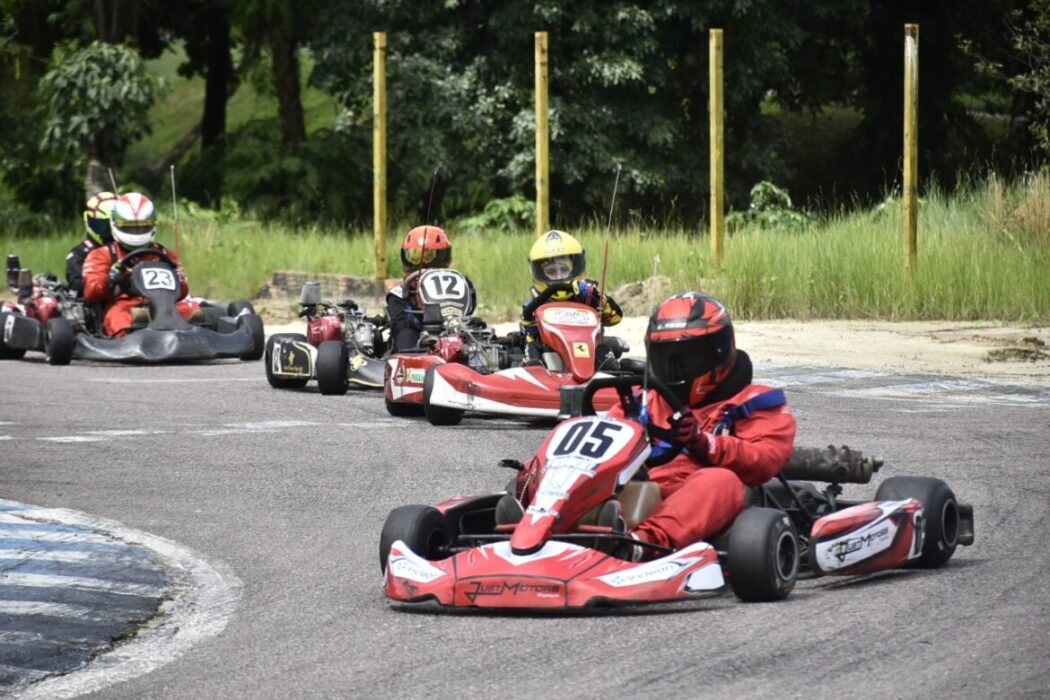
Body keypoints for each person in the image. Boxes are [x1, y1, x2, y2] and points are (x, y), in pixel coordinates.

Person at [504, 292, 796, 560]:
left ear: (717, 353)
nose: (673, 370)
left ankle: (638, 546)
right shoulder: (645, 400)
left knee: (721, 482)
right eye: (665, 358)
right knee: (567, 459)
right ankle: (533, 519)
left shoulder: (755, 401)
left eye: (684, 359)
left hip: (697, 495)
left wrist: (704, 442)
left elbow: (765, 460)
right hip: (635, 488)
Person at [82, 192, 199, 337]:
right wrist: (111, 278)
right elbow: (90, 293)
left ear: (152, 225)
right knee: (120, 317)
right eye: (129, 227)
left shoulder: (163, 253)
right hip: (124, 303)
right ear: (114, 224)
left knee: (191, 310)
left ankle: (195, 332)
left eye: (141, 227)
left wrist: (178, 278)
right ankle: (134, 334)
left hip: (165, 305)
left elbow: (183, 291)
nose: (135, 232)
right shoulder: (102, 254)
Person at [520, 230, 623, 366]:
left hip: (587, 349)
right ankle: (534, 370)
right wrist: (531, 325)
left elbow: (616, 318)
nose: (559, 277)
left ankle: (608, 374)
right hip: (549, 352)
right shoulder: (534, 305)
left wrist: (597, 298)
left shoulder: (589, 295)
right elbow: (527, 333)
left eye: (564, 270)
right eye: (551, 272)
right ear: (538, 273)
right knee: (532, 350)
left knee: (603, 351)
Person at [386, 225, 476, 351]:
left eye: (430, 256)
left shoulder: (463, 283)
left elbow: (469, 313)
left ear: (443, 257)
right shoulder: (399, 295)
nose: (424, 263)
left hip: (456, 333)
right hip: (417, 339)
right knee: (405, 334)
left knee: (479, 330)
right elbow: (401, 328)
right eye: (416, 257)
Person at [66, 191, 119, 296]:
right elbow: (78, 287)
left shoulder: (132, 249)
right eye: (105, 225)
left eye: (118, 225)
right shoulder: (80, 254)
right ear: (90, 221)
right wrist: (110, 280)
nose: (112, 232)